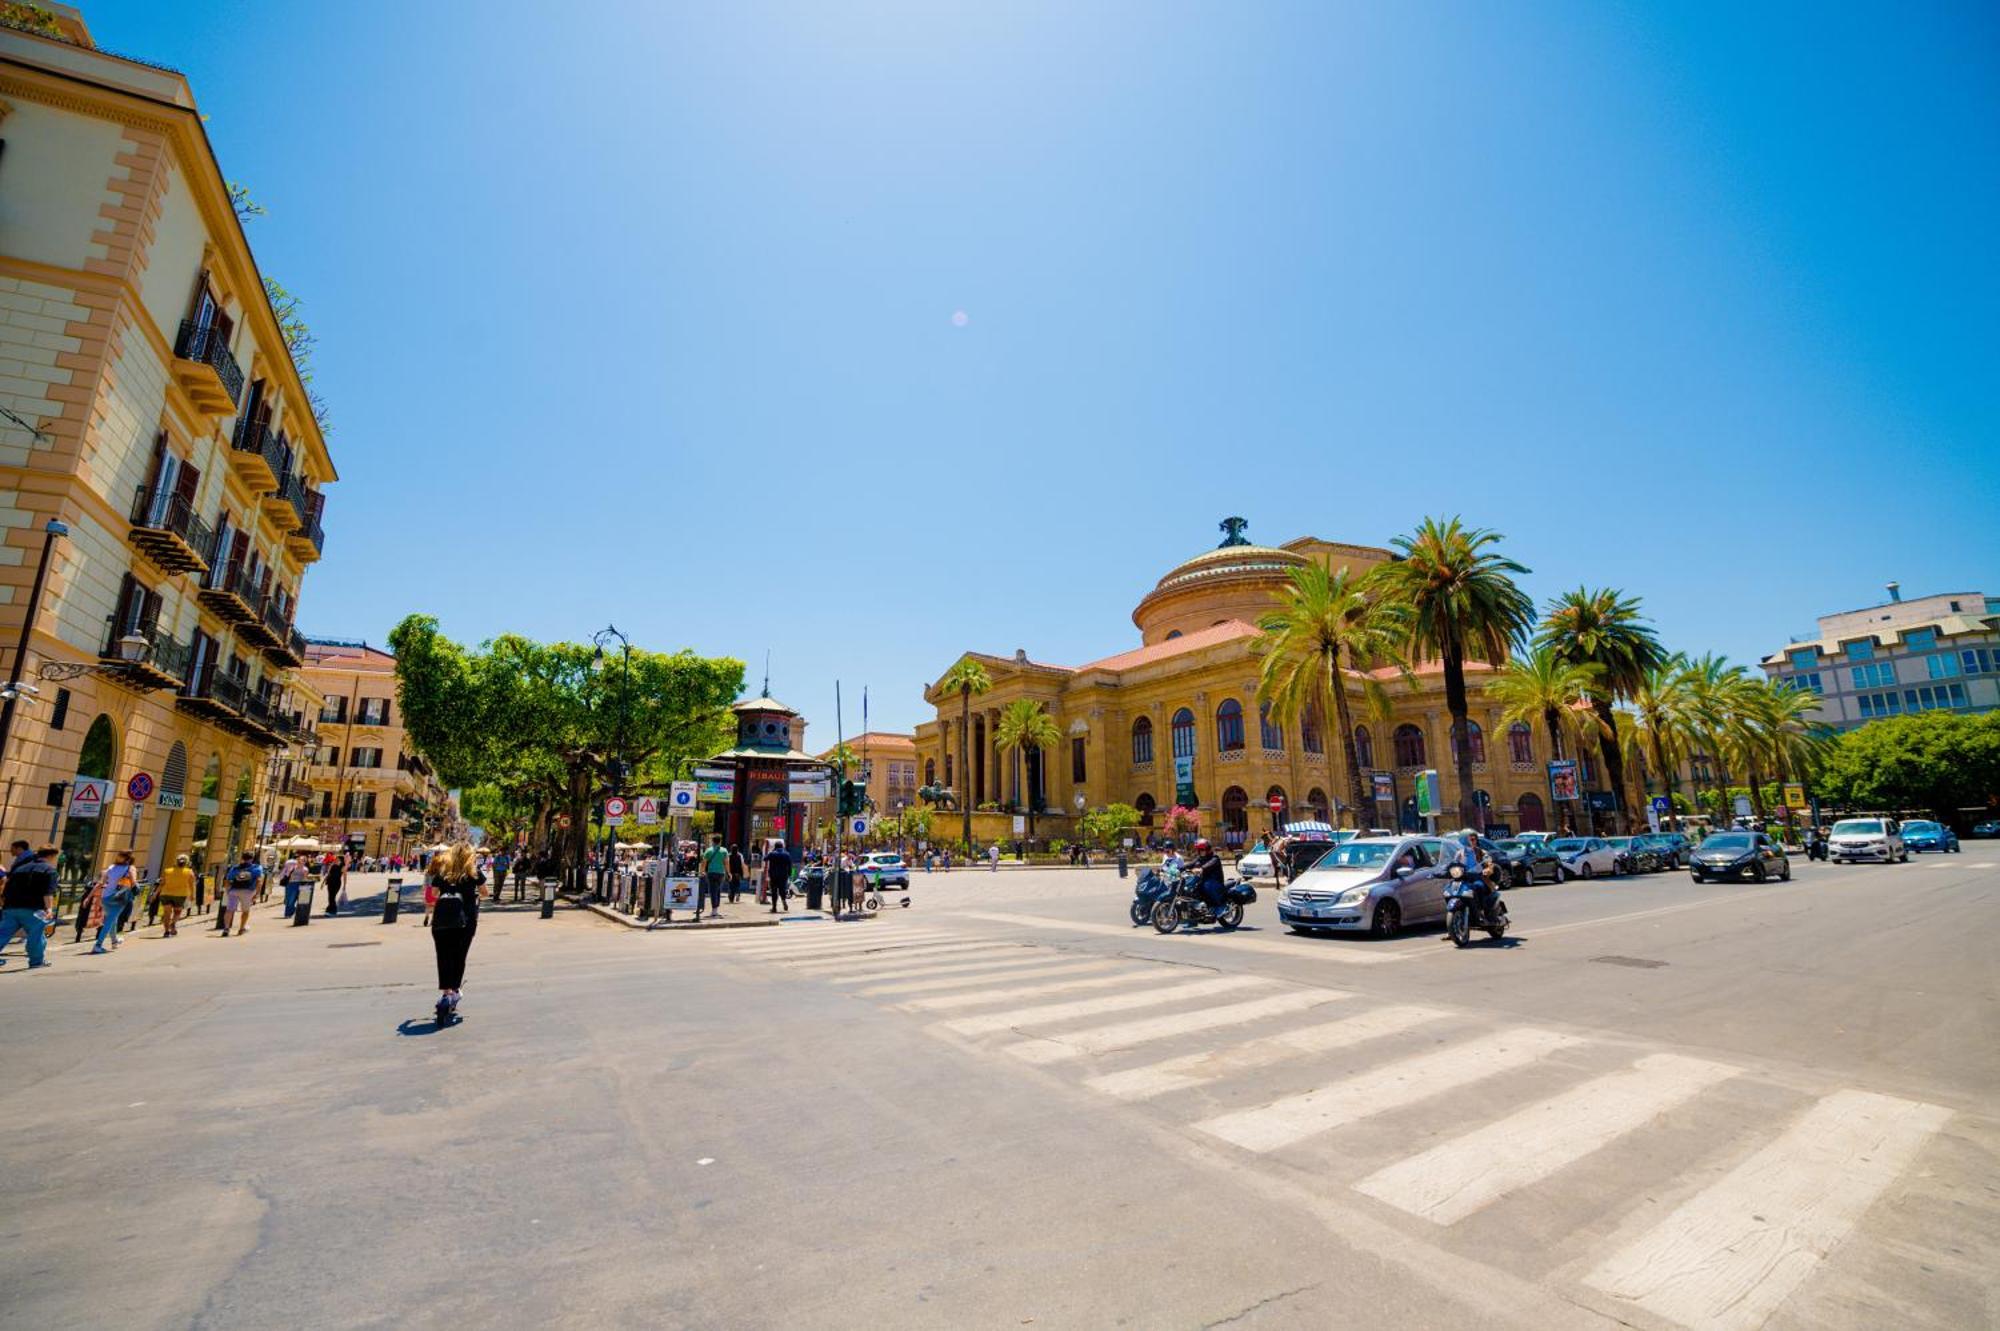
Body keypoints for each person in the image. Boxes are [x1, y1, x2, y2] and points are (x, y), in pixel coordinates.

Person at [427, 842, 485, 1019]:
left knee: (443, 956)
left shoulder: (442, 872)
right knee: (459, 956)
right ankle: (454, 991)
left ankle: (446, 992)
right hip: (465, 921)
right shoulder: (474, 873)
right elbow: (485, 893)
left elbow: (434, 893)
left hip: (441, 920)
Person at [0, 844, 59, 969]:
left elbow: (6, 889)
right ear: (52, 856)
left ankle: (38, 960)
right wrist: (49, 909)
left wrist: (4, 904)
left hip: (11, 907)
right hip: (33, 909)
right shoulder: (49, 870)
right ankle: (36, 962)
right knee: (35, 936)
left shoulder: (20, 868)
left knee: (2, 934)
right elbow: (47, 892)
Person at [90, 849, 138, 953]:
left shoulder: (111, 867)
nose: (117, 857)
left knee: (112, 919)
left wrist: (89, 896)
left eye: (119, 855)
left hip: (105, 897)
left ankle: (114, 942)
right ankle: (98, 945)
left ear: (124, 857)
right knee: (109, 921)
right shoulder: (131, 868)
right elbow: (134, 882)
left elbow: (101, 882)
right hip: (119, 898)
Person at [222, 852, 260, 936]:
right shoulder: (256, 868)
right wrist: (256, 894)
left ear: (242, 858)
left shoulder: (235, 868)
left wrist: (228, 891)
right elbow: (259, 881)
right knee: (245, 911)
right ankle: (241, 928)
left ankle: (226, 929)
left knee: (229, 910)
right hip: (247, 891)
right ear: (252, 858)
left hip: (234, 890)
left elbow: (227, 881)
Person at [156, 854, 195, 937]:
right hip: (180, 895)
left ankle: (166, 932)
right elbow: (191, 885)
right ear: (187, 863)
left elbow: (162, 884)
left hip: (166, 894)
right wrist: (192, 895)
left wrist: (155, 894)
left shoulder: (167, 871)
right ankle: (173, 923)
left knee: (167, 913)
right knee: (177, 912)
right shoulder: (189, 872)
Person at [1186, 838, 1226, 915]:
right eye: (1199, 850)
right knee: (1190, 888)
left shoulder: (1215, 858)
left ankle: (1220, 906)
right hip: (1203, 880)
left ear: (1207, 849)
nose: (1200, 851)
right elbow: (1190, 864)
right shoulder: (1200, 858)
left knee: (1207, 885)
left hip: (1215, 882)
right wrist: (1179, 868)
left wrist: (1201, 869)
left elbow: (1208, 865)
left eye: (1202, 849)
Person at [700, 835, 727, 918]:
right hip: (721, 873)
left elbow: (704, 862)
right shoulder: (724, 850)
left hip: (711, 873)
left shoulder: (708, 850)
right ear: (720, 841)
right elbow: (726, 863)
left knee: (712, 891)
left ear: (712, 841)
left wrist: (702, 871)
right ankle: (716, 909)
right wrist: (728, 872)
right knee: (718, 890)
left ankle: (714, 909)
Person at [765, 839, 793, 913]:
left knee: (774, 892)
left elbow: (765, 859)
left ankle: (774, 907)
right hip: (783, 876)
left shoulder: (772, 854)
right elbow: (790, 865)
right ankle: (783, 900)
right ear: (782, 846)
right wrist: (789, 874)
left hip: (773, 876)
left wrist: (770, 851)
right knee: (782, 890)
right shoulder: (787, 854)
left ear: (775, 846)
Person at [278, 852, 307, 918]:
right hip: (290, 884)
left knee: (291, 900)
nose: (300, 861)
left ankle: (287, 914)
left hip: (297, 884)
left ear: (304, 862)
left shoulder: (305, 869)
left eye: (302, 860)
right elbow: (288, 874)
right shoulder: (293, 867)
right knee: (287, 899)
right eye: (299, 859)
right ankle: (292, 910)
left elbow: (305, 879)